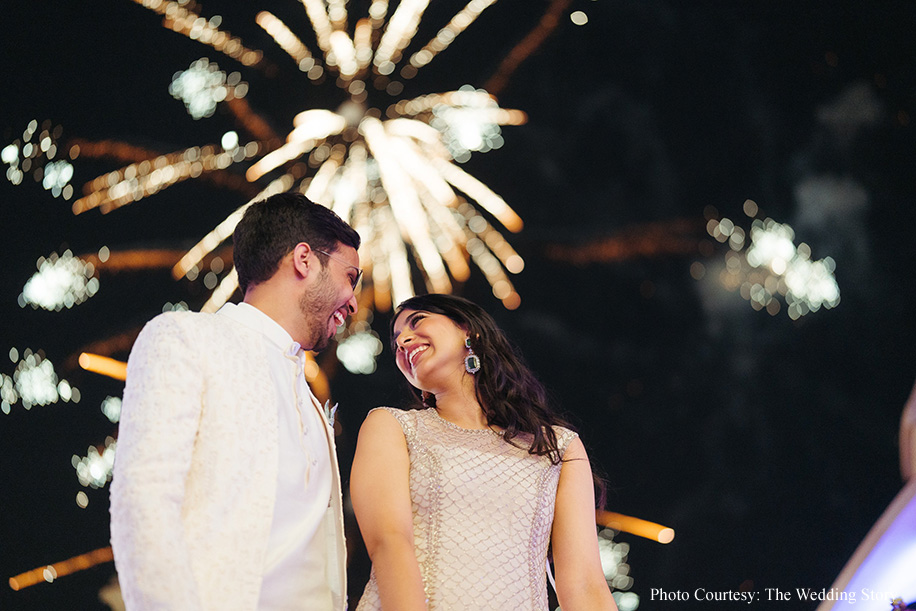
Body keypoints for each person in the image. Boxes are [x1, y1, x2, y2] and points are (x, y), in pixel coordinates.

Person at [110, 192, 361, 610]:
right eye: (350, 276)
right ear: (304, 259)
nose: (353, 300)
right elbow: (144, 505)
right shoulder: (187, 338)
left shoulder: (311, 398)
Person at [350, 294, 618, 611]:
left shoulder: (556, 447)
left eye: (418, 320)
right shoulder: (393, 427)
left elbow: (585, 584)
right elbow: (389, 542)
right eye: (395, 342)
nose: (404, 340)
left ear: (469, 331)